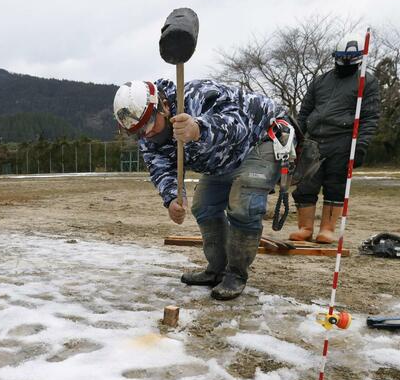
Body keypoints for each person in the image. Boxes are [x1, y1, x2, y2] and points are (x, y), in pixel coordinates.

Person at [113, 78, 288, 300]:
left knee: (244, 207)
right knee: (203, 207)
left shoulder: (198, 95)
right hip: (221, 161)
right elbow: (160, 167)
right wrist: (172, 198)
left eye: (148, 125)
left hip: (259, 139)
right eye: (137, 132)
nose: (145, 134)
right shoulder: (147, 136)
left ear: (163, 106)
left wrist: (199, 129)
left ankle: (236, 274)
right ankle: (216, 270)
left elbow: (238, 125)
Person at [290, 32, 380, 243]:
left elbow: (370, 117)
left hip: (342, 141)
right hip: (313, 141)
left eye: (350, 60)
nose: (345, 63)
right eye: (341, 59)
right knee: (305, 185)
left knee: (335, 185)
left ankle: (327, 229)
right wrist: (296, 138)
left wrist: (361, 146)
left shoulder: (367, 82)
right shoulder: (320, 81)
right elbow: (304, 112)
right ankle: (305, 228)